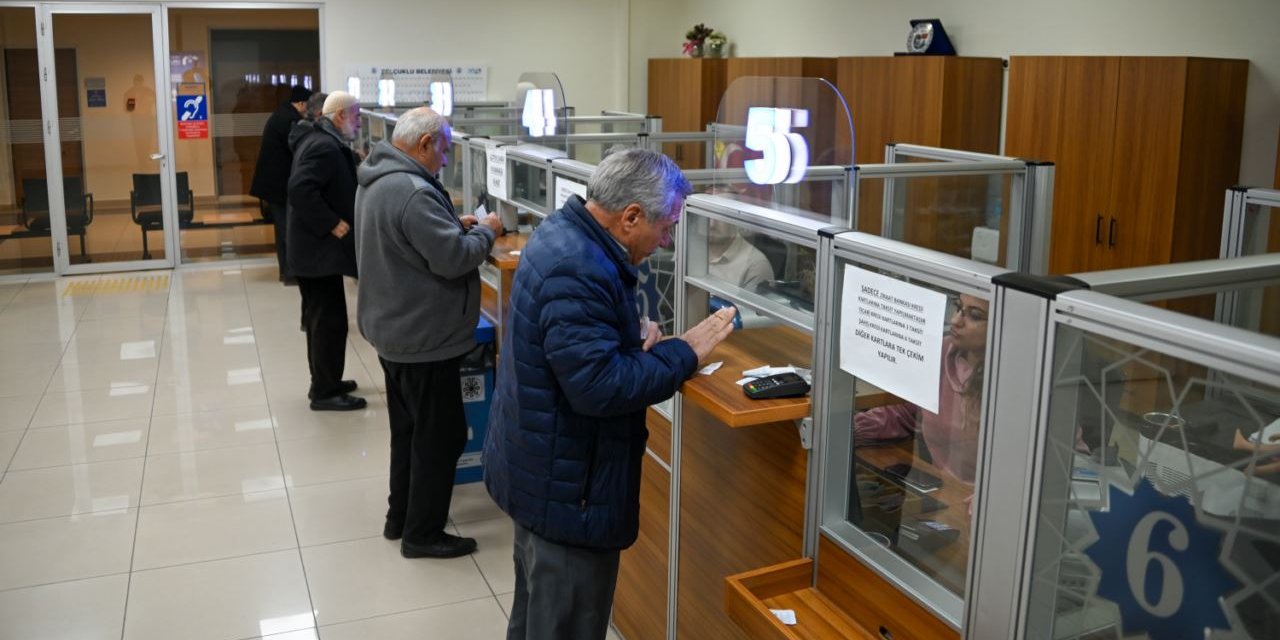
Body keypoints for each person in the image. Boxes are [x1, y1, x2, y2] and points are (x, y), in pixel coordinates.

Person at [483, 148, 738, 640]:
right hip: (569, 493)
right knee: (563, 624)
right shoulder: (578, 266)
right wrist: (684, 351)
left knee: (535, 618)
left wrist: (624, 341)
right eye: (666, 227)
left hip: (545, 475)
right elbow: (599, 388)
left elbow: (575, 356)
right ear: (631, 216)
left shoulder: (565, 235)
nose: (666, 241)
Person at [355, 107, 503, 558]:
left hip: (394, 331)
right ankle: (422, 534)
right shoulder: (413, 191)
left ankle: (399, 518)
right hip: (424, 340)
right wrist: (489, 233)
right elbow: (454, 259)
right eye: (443, 148)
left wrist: (452, 227)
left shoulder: (379, 180)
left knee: (409, 432)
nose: (446, 158)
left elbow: (406, 239)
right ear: (423, 145)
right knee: (442, 438)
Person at [855, 294, 989, 483]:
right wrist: (852, 430)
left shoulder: (1012, 384)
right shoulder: (943, 351)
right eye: (958, 308)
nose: (955, 320)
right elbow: (911, 413)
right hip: (944, 492)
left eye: (974, 316)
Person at [287, 91, 365, 411]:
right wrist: (332, 223)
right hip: (317, 253)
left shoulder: (323, 141)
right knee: (328, 323)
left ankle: (325, 380)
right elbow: (300, 189)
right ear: (340, 116)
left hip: (314, 253)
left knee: (324, 321)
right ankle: (325, 392)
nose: (359, 123)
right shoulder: (323, 145)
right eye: (356, 117)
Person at [251, 85, 311, 283]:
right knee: (287, 227)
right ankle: (291, 273)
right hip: (277, 185)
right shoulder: (290, 120)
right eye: (308, 106)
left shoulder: (282, 114)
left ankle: (286, 270)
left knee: (282, 226)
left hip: (272, 183)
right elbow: (298, 150)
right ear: (301, 103)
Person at [707, 217, 774, 292]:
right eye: (706, 215)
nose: (711, 225)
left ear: (734, 220)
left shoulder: (756, 265)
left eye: (719, 217)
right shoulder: (694, 246)